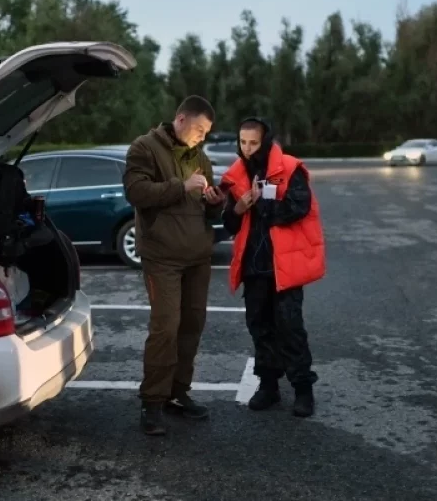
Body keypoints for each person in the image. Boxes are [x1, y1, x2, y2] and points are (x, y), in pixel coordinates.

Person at [123, 95, 225, 436]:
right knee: (166, 327)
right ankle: (152, 402)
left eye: (206, 132)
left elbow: (207, 210)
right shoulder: (145, 148)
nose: (201, 136)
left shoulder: (201, 158)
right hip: (162, 256)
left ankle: (178, 392)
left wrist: (215, 203)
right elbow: (136, 192)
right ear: (180, 119)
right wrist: (181, 187)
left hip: (197, 256)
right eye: (198, 129)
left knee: (192, 325)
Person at [220, 117, 326, 417]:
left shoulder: (289, 168)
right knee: (260, 328)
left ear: (266, 141)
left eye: (253, 142)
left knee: (290, 328)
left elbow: (298, 207)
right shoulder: (237, 174)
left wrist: (262, 204)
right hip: (254, 268)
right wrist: (240, 206)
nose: (248, 148)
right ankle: (268, 386)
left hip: (284, 266)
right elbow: (229, 223)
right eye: (243, 142)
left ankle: (303, 389)